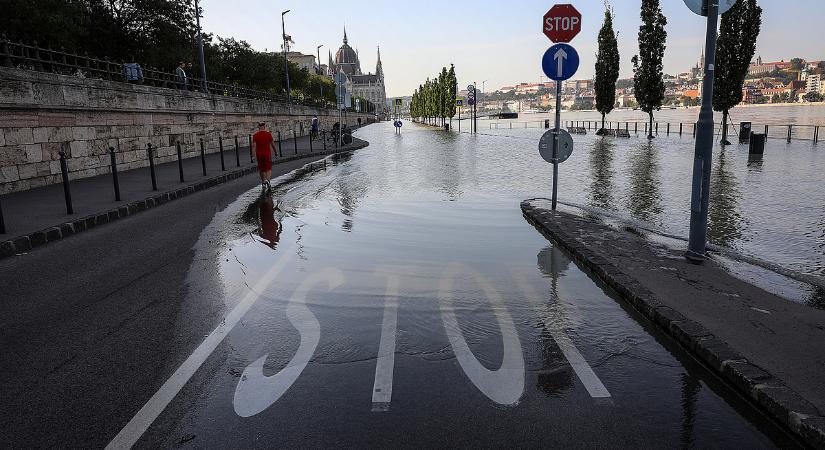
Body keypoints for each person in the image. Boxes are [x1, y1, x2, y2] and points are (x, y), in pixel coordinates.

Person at [252, 121, 277, 189]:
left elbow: (254, 146)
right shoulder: (268, 134)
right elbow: (272, 144)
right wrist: (275, 151)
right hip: (267, 154)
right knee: (268, 168)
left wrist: (253, 156)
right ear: (264, 126)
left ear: (259, 127)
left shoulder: (255, 135)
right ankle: (268, 180)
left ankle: (263, 182)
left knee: (261, 169)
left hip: (259, 154)